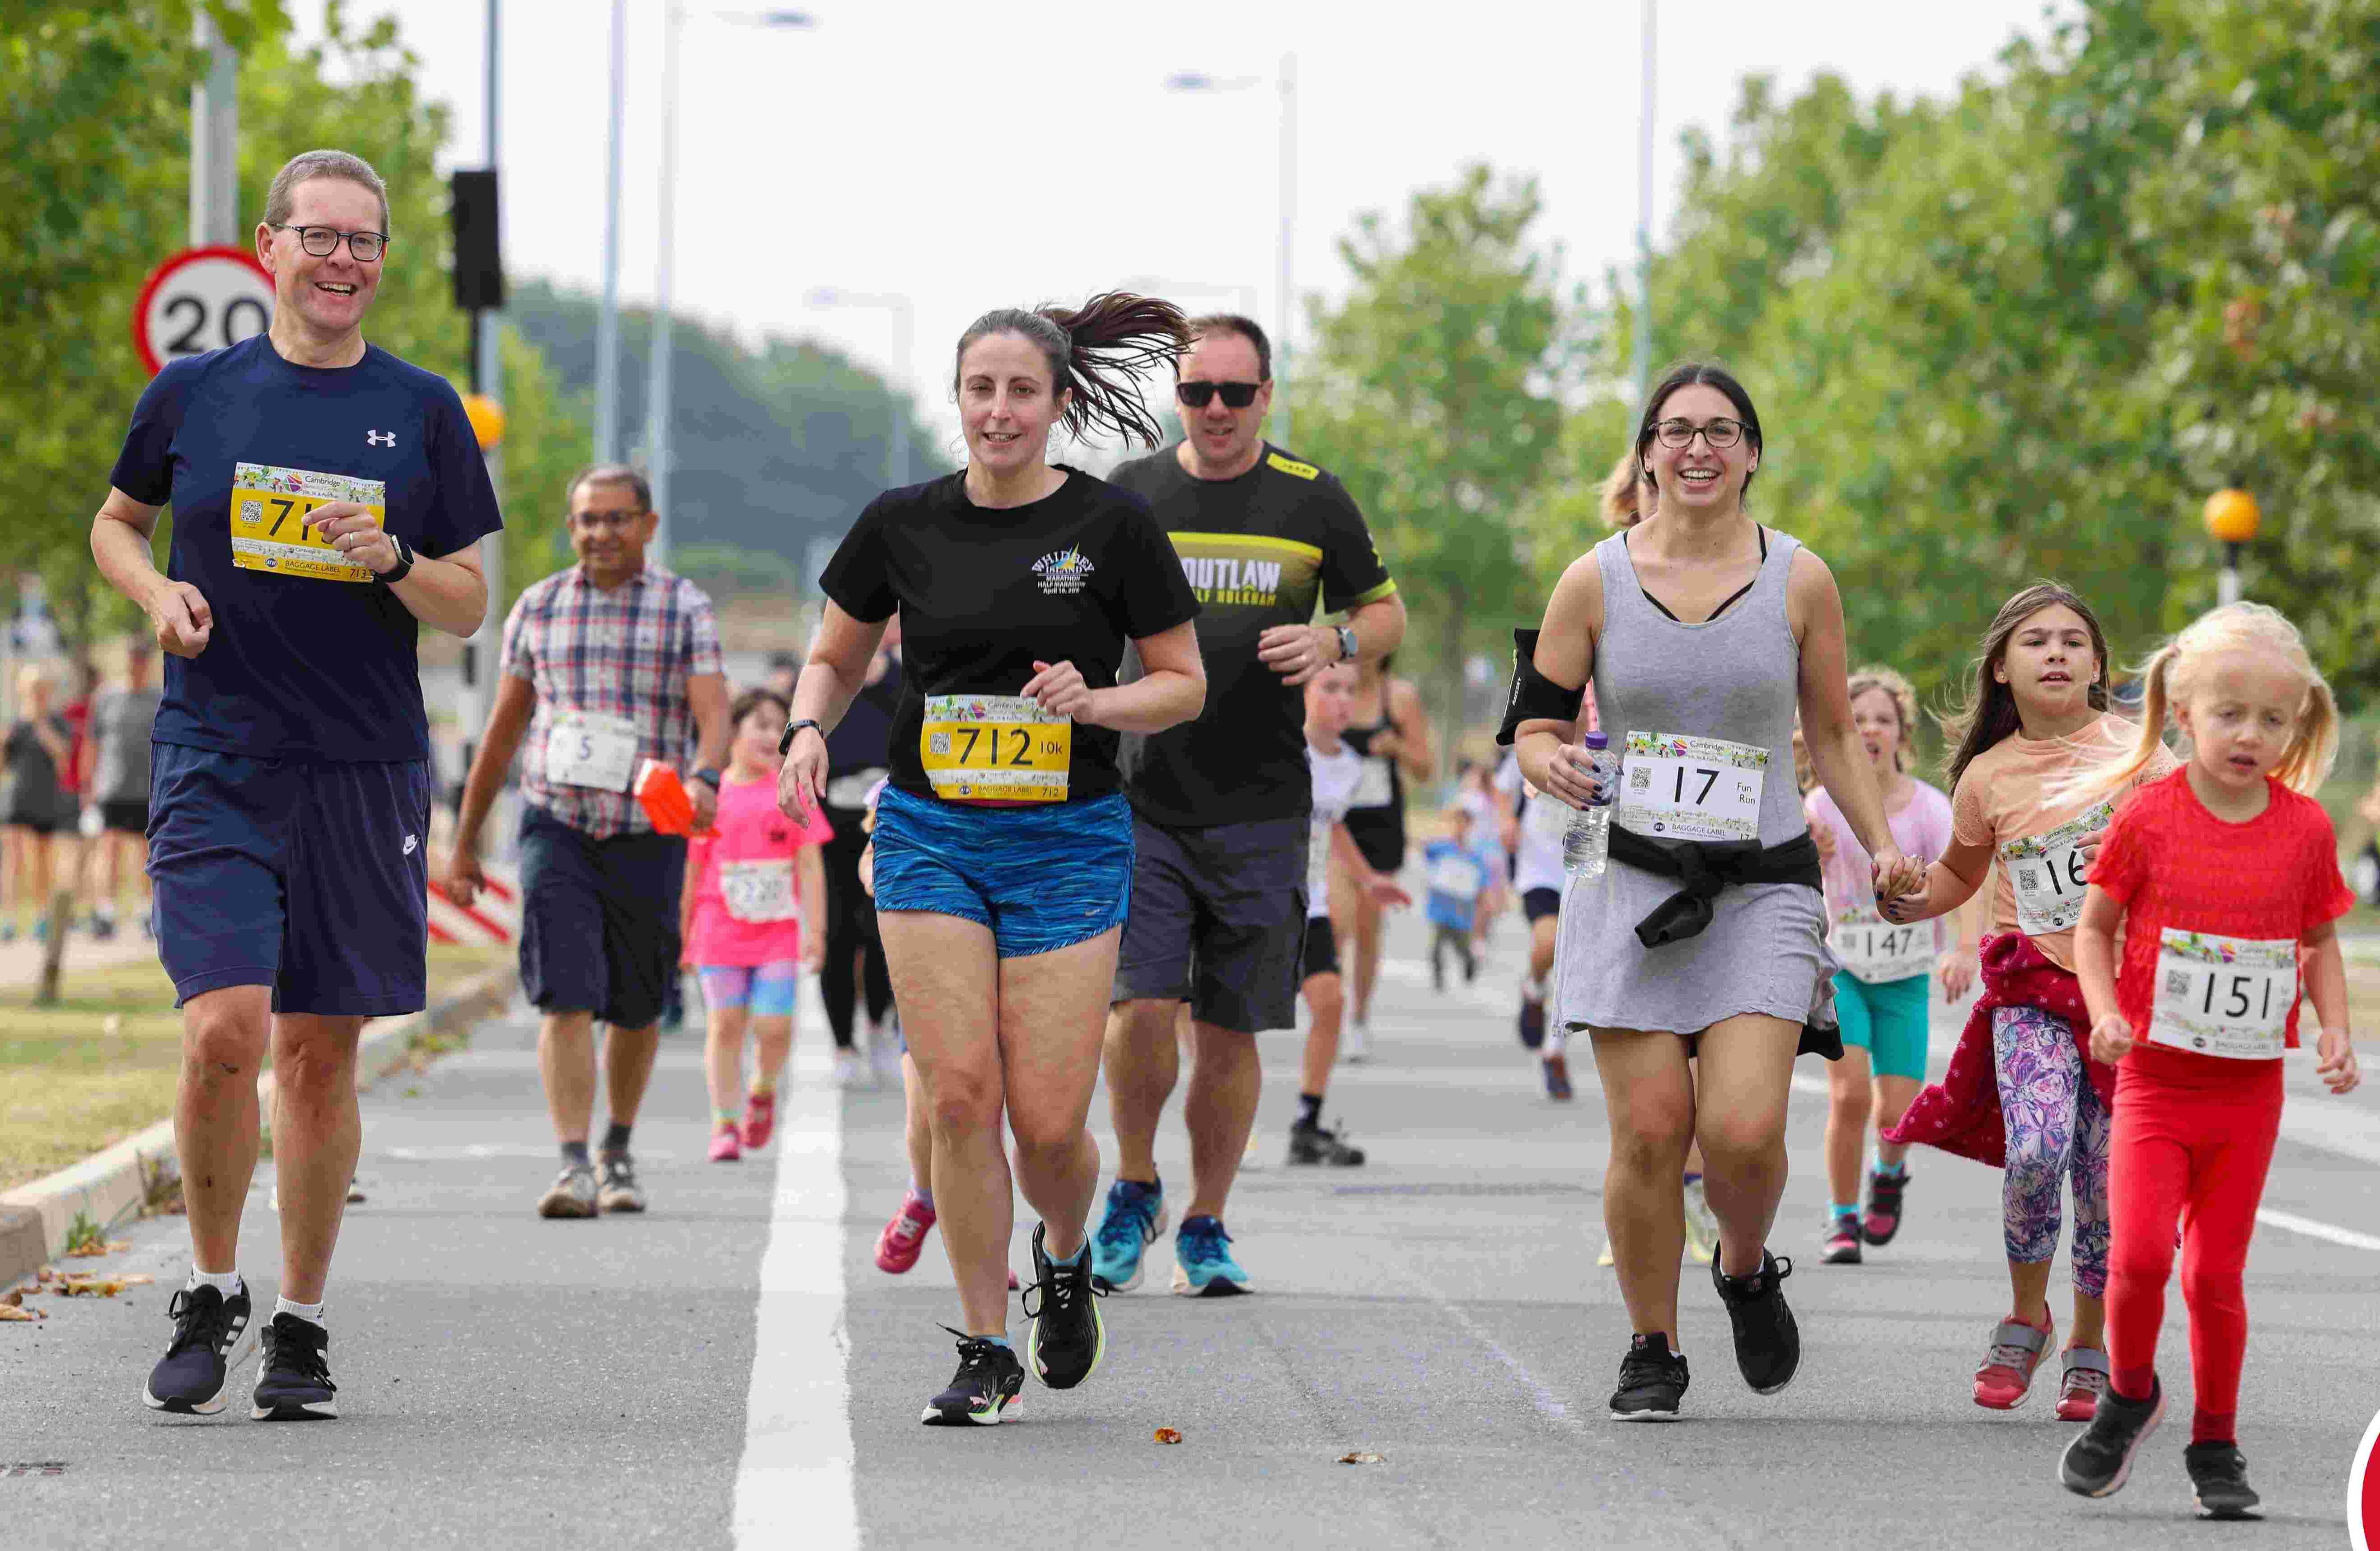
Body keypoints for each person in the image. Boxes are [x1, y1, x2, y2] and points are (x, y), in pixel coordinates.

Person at [94, 149, 501, 1419]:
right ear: (269, 247)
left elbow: (469, 597)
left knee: (319, 1055)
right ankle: (210, 1288)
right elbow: (116, 524)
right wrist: (158, 593)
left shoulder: (421, 408)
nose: (342, 262)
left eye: (364, 244)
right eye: (319, 237)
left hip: (363, 766)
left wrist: (392, 558)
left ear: (383, 263)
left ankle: (301, 1323)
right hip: (217, 752)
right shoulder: (195, 396)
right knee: (224, 1031)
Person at [781, 293, 1204, 1424]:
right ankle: (982, 1340)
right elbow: (832, 655)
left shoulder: (1113, 528)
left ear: (1060, 403)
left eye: (1023, 391)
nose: (999, 411)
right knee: (960, 1096)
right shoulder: (901, 521)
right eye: (981, 389)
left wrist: (1097, 697)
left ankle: (1062, 1256)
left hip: (1067, 842)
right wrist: (807, 727)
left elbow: (1183, 681)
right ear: (957, 398)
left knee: (1052, 1125)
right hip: (931, 832)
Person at [1509, 362, 1923, 1422]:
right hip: (1623, 870)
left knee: (1739, 1128)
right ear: (1646, 450)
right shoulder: (1588, 580)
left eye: (1721, 431)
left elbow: (1830, 732)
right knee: (1648, 1129)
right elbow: (1538, 722)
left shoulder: (1799, 578)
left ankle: (1742, 1265)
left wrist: (1879, 843)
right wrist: (1543, 760)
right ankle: (1652, 1344)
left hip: (1759, 882)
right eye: (1678, 430)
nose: (1698, 449)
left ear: (1750, 454)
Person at [1092, 312, 1403, 1299]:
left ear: (1267, 395)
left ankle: (1207, 1222)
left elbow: (1382, 612)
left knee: (1230, 1031)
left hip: (1264, 807)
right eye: (1197, 392)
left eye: (1236, 392)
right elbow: (1075, 611)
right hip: (1143, 799)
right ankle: (1135, 1184)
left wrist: (1334, 647)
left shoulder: (1312, 498)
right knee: (1141, 1007)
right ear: (1176, 398)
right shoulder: (1133, 494)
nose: (1217, 410)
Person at [2056, 602, 2358, 1518]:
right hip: (2156, 1080)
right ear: (2184, 712)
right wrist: (2106, 1013)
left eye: (2275, 720)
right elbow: (2094, 931)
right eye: (2230, 714)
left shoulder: (2304, 829)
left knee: (2214, 1275)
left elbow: (2321, 942)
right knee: (2140, 1258)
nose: (2251, 736)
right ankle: (2131, 1393)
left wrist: (2334, 1025)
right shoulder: (2150, 815)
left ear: (2298, 725)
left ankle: (2216, 1439)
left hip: (2247, 1092)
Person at [1881, 583, 2177, 1421]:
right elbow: (1957, 877)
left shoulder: (2142, 758)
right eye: (2035, 641)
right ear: (2001, 671)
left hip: (2129, 1008)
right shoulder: (1987, 775)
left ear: (2096, 667)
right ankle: (2024, 1316)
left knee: (2106, 1182)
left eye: (2072, 641)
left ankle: (2089, 1344)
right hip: (2030, 997)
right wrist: (1905, 899)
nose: (2054, 652)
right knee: (2038, 1149)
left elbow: (2188, 862)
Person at [445, 462, 729, 1219]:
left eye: (616, 518)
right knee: (564, 995)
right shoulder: (537, 607)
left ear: (648, 524)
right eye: (587, 520)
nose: (600, 532)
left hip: (647, 828)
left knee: (636, 1004)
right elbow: (503, 731)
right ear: (571, 528)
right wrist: (465, 840)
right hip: (556, 821)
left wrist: (705, 775)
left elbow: (712, 711)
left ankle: (616, 1148)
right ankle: (572, 1161)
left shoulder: (683, 607)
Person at [1802, 666, 1959, 1265]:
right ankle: (1842, 1218)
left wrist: (1960, 949)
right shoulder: (1820, 803)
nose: (1870, 729)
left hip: (1905, 976)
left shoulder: (1930, 809)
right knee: (1849, 1099)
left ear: (1902, 733)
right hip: (1844, 972)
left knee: (1897, 1114)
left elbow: (1959, 878)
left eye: (1883, 720)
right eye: (1858, 718)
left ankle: (1888, 1172)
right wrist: (1808, 852)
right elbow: (1799, 883)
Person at [682, 686, 830, 1162]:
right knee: (725, 1025)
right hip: (717, 927)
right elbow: (692, 868)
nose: (771, 735)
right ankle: (724, 1124)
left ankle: (763, 1088)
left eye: (778, 727)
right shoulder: (711, 797)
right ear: (732, 734)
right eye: (760, 725)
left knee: (772, 1026)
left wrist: (817, 931)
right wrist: (682, 933)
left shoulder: (791, 793)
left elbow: (809, 865)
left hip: (776, 934)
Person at [1292, 663, 1410, 1164]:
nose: (1343, 700)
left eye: (1351, 691)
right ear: (1302, 693)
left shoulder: (1347, 765)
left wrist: (1368, 880)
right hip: (1255, 899)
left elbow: (1332, 825)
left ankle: (1307, 1123)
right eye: (1329, 688)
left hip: (1307, 904)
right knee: (1228, 1021)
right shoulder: (1277, 756)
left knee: (1330, 1002)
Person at [817, 616, 904, 1088]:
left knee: (881, 930)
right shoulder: (830, 671)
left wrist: (887, 675)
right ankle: (842, 1044)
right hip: (832, 820)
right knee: (837, 934)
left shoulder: (907, 674)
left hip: (888, 818)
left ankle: (879, 1025)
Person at [1335, 652, 1434, 1058]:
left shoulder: (1400, 698)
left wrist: (1396, 747)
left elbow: (1426, 768)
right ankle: (1332, 1008)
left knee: (1367, 928)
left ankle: (1357, 1018)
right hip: (1335, 823)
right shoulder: (1328, 688)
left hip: (1381, 828)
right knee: (1338, 922)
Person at [84, 640, 163, 941]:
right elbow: (92, 743)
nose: (136, 664)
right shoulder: (106, 698)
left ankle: (146, 913)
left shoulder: (159, 698)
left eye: (142, 659)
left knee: (145, 854)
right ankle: (105, 913)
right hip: (111, 788)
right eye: (133, 658)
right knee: (109, 851)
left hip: (148, 790)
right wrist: (87, 785)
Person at [3, 665, 74, 942]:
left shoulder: (56, 723)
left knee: (42, 862)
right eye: (33, 689)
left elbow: (63, 758)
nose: (38, 694)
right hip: (16, 801)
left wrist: (42, 728)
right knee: (13, 862)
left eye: (42, 689)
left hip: (44, 802)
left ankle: (42, 917)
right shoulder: (15, 725)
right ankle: (8, 919)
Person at [1423, 805, 1487, 991]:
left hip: (1461, 913)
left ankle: (1469, 963)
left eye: (1463, 823)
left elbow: (1481, 885)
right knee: (1436, 946)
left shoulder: (1474, 856)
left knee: (1462, 948)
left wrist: (1482, 907)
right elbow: (1424, 849)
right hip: (1439, 909)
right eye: (1456, 822)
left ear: (1470, 826)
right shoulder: (1441, 848)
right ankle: (1438, 976)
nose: (1459, 827)